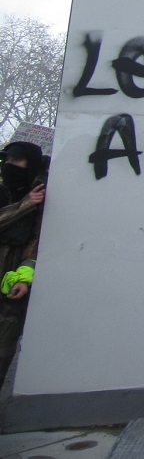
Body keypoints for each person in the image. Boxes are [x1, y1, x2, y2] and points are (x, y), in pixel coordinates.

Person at [0, 141, 47, 385]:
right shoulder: (13, 195)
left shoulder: (40, 195)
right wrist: (24, 205)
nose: (9, 166)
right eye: (7, 161)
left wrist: (24, 276)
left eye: (15, 161)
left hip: (11, 285)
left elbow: (36, 240)